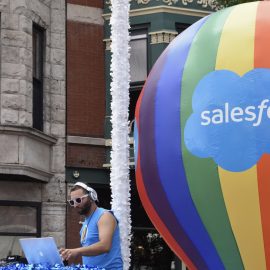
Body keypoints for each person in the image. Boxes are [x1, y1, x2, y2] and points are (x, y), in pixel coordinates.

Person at [60, 182, 123, 270]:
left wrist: (76, 251)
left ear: (91, 197)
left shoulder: (104, 216)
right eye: (72, 202)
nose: (75, 205)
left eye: (78, 200)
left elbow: (105, 246)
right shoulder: (85, 223)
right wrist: (67, 254)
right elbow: (87, 253)